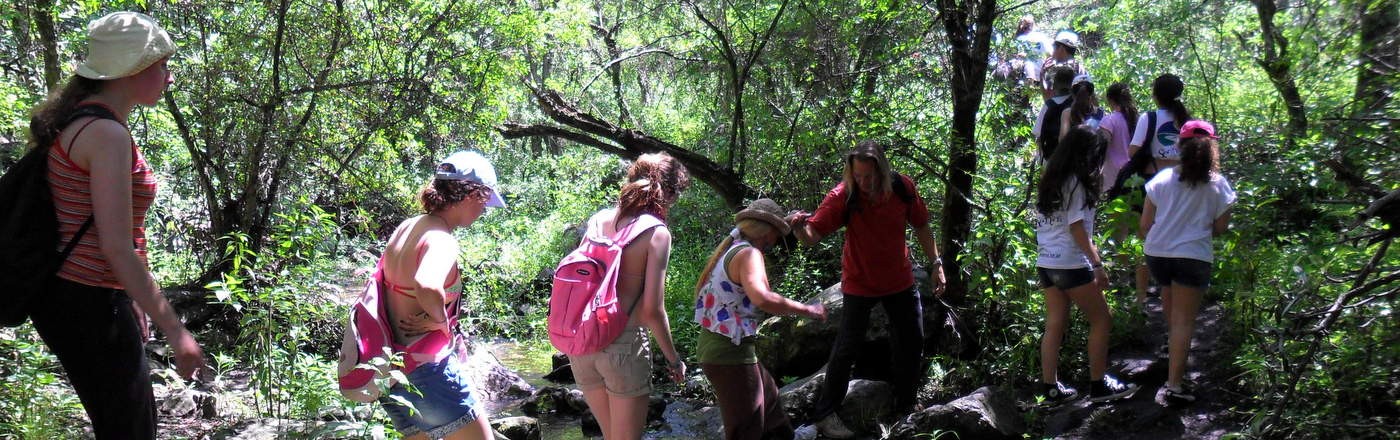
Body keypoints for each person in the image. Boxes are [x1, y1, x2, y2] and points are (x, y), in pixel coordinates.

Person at [26, 12, 205, 438]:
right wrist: (178, 333)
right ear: (132, 71)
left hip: (81, 299)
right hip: (86, 303)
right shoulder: (105, 135)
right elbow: (116, 246)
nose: (168, 75)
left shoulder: (83, 122)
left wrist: (133, 302)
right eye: (161, 65)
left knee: (123, 424)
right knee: (130, 429)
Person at [785, 141, 945, 439]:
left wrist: (936, 263)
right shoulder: (843, 195)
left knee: (911, 340)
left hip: (899, 279)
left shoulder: (901, 188)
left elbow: (922, 225)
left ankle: (905, 404)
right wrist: (798, 227)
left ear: (882, 170)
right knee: (847, 348)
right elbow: (811, 236)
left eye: (869, 176)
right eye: (858, 176)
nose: (864, 183)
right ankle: (824, 414)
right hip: (860, 282)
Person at [378, 150, 504, 439]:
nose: (485, 210)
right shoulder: (442, 239)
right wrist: (441, 323)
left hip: (392, 371)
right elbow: (426, 283)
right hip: (428, 371)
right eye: (486, 201)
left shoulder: (408, 227)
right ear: (473, 195)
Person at [569, 153, 690, 440]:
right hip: (623, 345)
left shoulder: (598, 220)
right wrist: (673, 360)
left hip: (582, 343)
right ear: (668, 193)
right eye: (677, 195)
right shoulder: (657, 233)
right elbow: (652, 310)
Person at [694, 198, 827, 440]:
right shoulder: (749, 254)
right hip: (729, 353)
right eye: (775, 235)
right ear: (766, 233)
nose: (776, 242)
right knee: (746, 428)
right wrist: (807, 310)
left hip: (719, 347)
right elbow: (762, 298)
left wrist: (786, 222)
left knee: (770, 402)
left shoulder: (733, 247)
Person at [1032, 126, 1141, 404]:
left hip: (1047, 261)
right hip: (1070, 262)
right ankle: (1098, 384)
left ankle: (1050, 388)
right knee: (1102, 319)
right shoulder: (1077, 182)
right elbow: (1077, 227)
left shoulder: (1051, 177)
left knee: (1055, 323)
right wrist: (1097, 264)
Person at [1141, 120, 1235, 406]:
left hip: (1158, 253)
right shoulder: (1218, 185)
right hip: (1192, 255)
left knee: (1170, 304)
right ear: (1212, 149)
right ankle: (1174, 385)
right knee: (1184, 321)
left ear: (1180, 146)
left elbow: (1145, 224)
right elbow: (1220, 229)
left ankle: (1173, 357)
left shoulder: (1162, 179)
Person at [1129, 74, 1193, 314]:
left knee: (1145, 235)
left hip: (1151, 182)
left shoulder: (1149, 117)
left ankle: (1141, 299)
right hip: (1183, 185)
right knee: (1177, 235)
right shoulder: (1187, 120)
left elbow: (1133, 150)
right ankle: (1175, 294)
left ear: (1155, 94)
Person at [1034, 67, 1076, 163]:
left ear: (1055, 85)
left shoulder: (1049, 104)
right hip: (1073, 159)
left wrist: (1040, 159)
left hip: (1051, 158)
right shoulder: (1078, 104)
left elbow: (1038, 135)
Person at [1040, 31, 1088, 98]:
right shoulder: (1081, 69)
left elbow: (1048, 99)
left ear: (1061, 49)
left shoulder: (1055, 70)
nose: (1052, 51)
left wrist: (1042, 75)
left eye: (1054, 47)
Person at [1058, 74, 1105, 139]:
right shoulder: (1101, 112)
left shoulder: (1067, 113)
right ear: (1092, 93)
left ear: (1073, 94)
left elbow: (1062, 140)